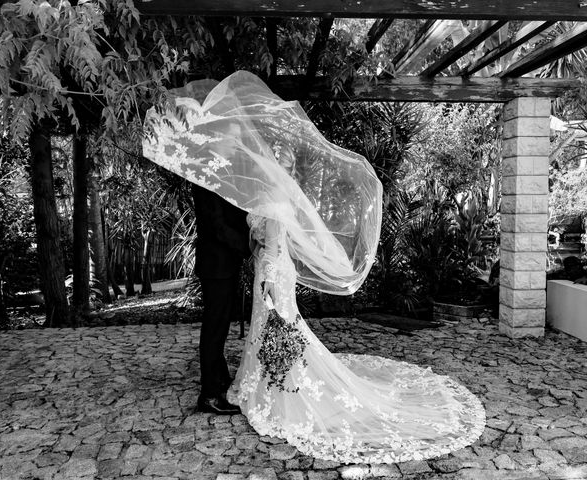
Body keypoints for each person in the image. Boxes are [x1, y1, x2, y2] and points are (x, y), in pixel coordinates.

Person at [142, 70, 485, 464]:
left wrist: (256, 250)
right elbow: (220, 228)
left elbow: (260, 233)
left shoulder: (256, 190)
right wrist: (250, 246)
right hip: (224, 264)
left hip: (264, 268)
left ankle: (253, 385)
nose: (242, 146)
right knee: (219, 324)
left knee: (254, 324)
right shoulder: (210, 179)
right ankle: (212, 391)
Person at [192, 184, 250, 415]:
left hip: (225, 263)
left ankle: (220, 378)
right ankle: (209, 395)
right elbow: (216, 226)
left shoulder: (219, 176)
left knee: (221, 325)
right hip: (215, 264)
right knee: (214, 328)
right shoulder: (203, 181)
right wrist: (247, 245)